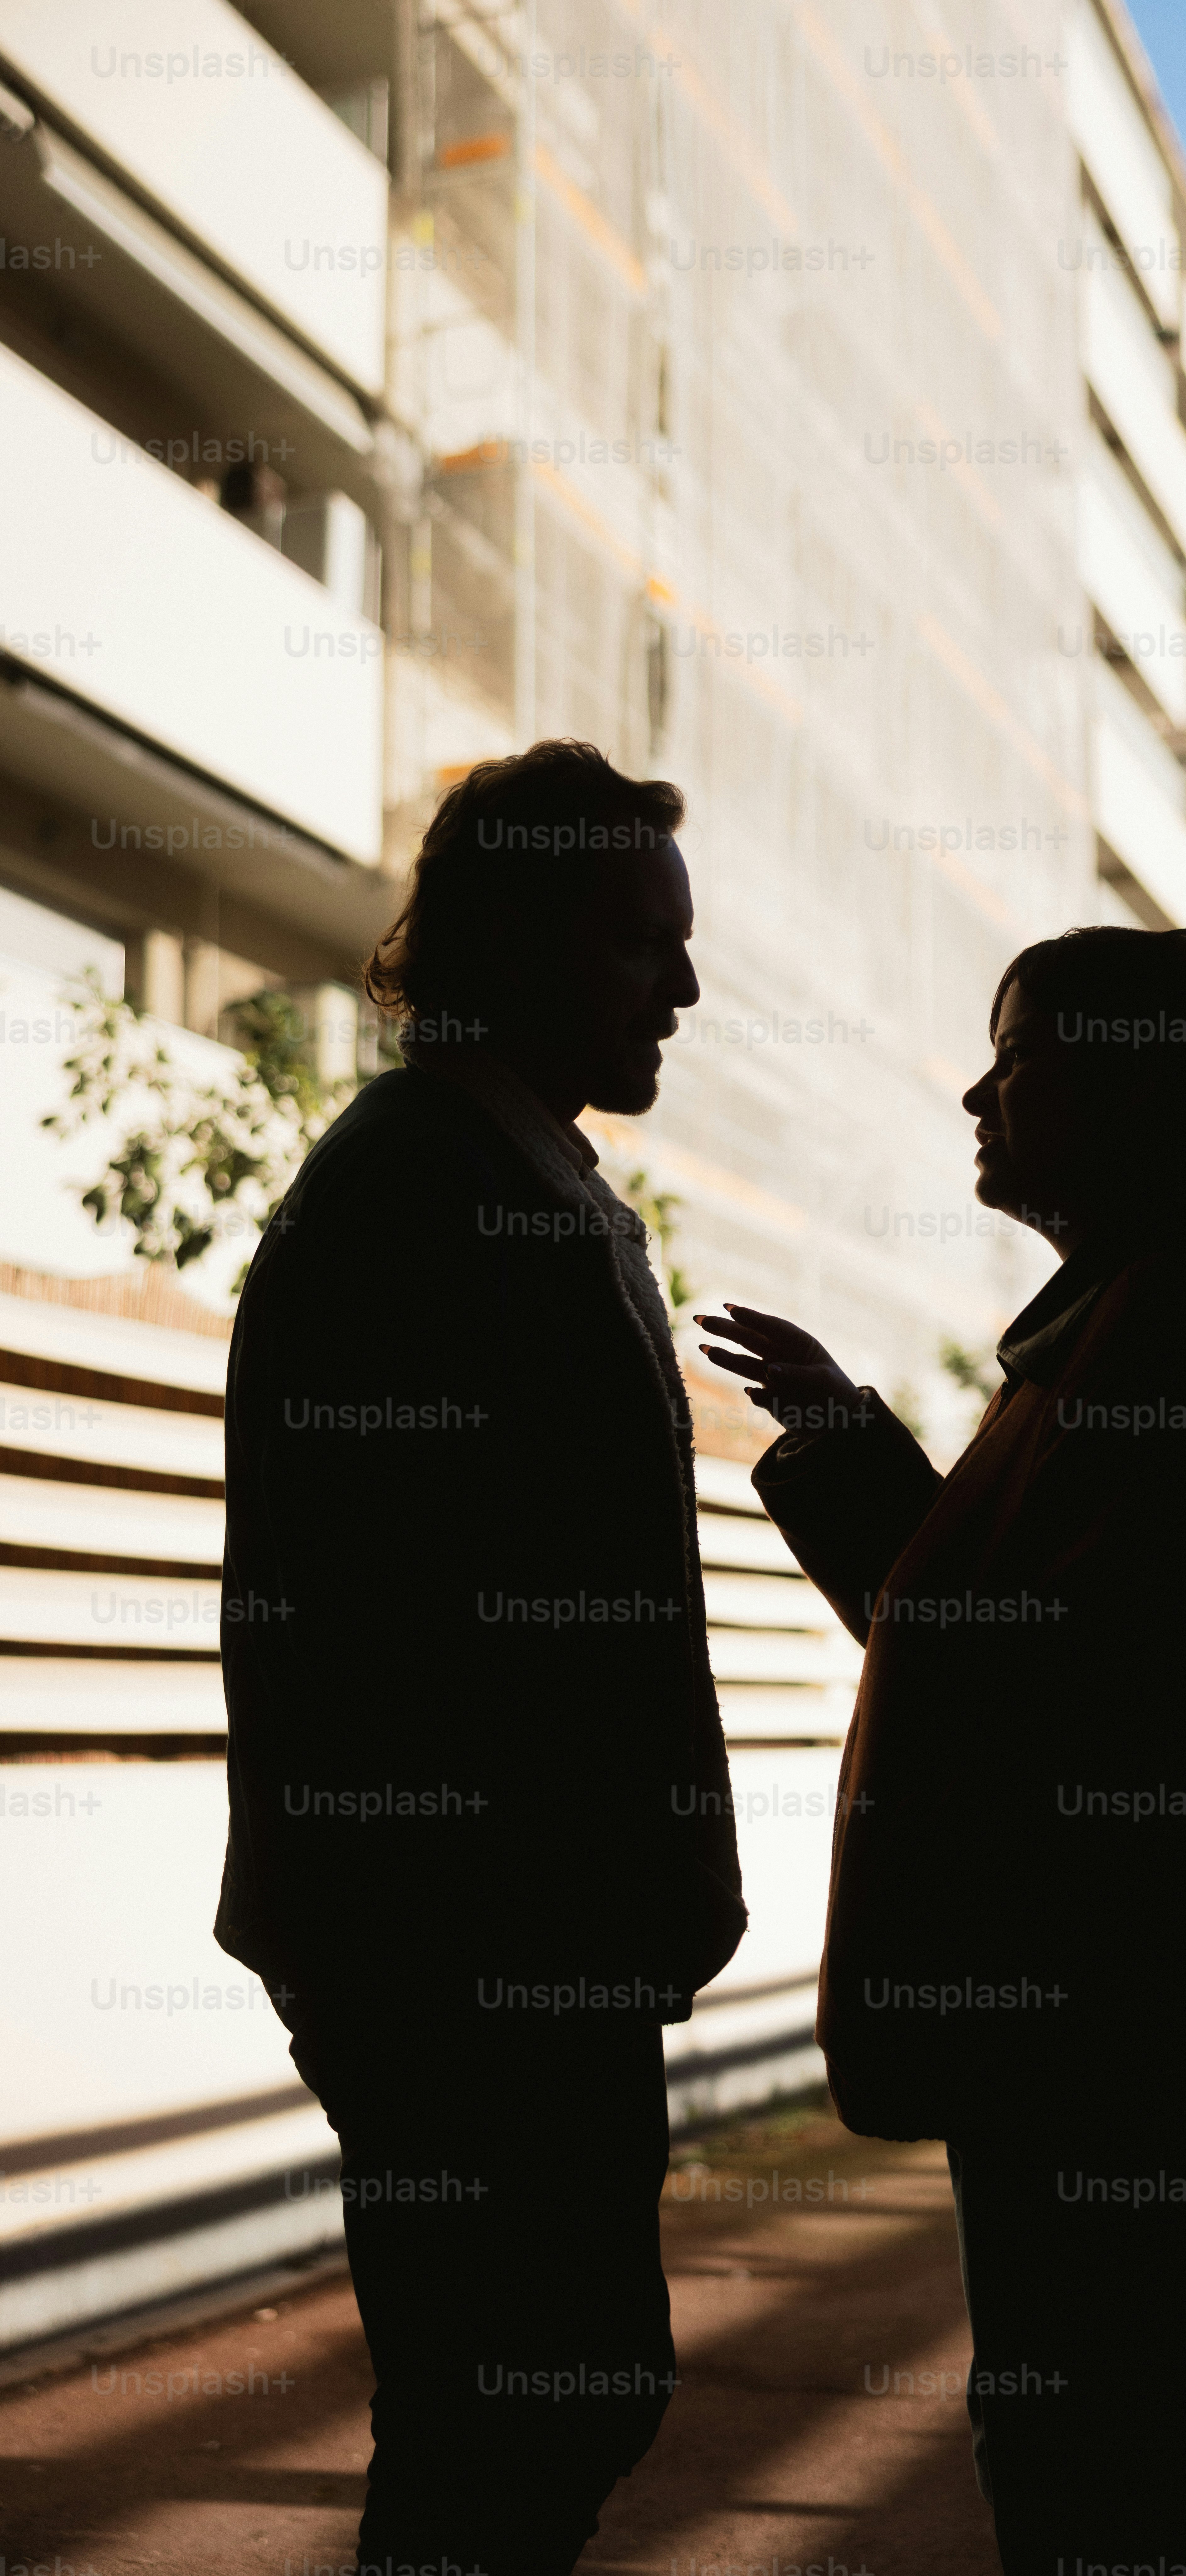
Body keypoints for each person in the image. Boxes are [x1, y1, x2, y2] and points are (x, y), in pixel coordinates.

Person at [696, 925, 1186, 2576]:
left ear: (1126, 1089)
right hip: (1098, 2045)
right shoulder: (1128, 1327)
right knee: (1109, 2456)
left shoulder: (1175, 1331)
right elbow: (1006, 1640)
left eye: (1023, 1052)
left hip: (1111, 2053)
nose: (980, 1092)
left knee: (1120, 2478)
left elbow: (1125, 1702)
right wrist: (845, 1440)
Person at [216, 741, 745, 2575]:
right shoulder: (427, 1189)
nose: (679, 986)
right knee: (518, 2412)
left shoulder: (501, 1169)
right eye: (635, 943)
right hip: (474, 1950)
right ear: (516, 940)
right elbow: (403, 1630)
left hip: (514, 1950)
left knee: (545, 2400)